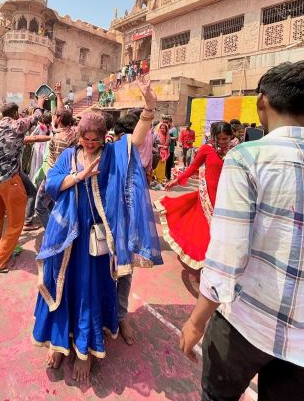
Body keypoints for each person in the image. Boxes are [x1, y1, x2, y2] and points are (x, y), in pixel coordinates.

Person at [180, 61, 304, 400]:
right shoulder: (217, 151)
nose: (222, 140)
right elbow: (194, 167)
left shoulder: (247, 157)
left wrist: (196, 321)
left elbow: (227, 257)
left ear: (261, 102)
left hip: (247, 322)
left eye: (225, 136)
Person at [32, 76, 163, 381]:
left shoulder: (113, 154)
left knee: (88, 293)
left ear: (104, 137)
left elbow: (136, 139)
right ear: (79, 136)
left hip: (95, 242)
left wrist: (149, 108)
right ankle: (60, 343)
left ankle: (85, 350)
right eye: (85, 139)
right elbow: (51, 184)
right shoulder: (69, 155)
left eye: (95, 139)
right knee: (61, 289)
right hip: (66, 239)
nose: (90, 144)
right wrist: (77, 177)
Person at [0, 95, 45, 272]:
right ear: (16, 113)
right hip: (9, 180)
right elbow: (36, 117)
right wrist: (39, 104)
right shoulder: (16, 125)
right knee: (15, 224)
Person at [160, 121, 233, 270]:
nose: (221, 142)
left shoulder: (236, 152)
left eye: (225, 139)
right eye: (218, 138)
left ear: (231, 137)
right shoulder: (207, 149)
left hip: (227, 197)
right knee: (205, 231)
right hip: (207, 197)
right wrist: (176, 181)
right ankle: (205, 261)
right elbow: (193, 168)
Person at [34, 82, 77, 228]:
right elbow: (62, 113)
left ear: (58, 120)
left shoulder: (58, 137)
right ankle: (59, 225)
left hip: (53, 177)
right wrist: (58, 94)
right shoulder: (72, 133)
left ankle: (52, 231)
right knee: (53, 203)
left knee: (39, 206)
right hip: (67, 177)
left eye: (55, 116)